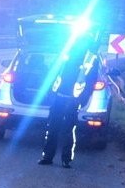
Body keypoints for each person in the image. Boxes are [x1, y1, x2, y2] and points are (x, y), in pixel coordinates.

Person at [39, 40, 100, 168]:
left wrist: (81, 99)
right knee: (53, 128)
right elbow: (54, 72)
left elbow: (90, 82)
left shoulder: (89, 59)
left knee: (68, 130)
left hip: (72, 100)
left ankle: (66, 160)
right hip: (59, 98)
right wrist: (51, 93)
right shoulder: (65, 54)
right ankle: (48, 157)